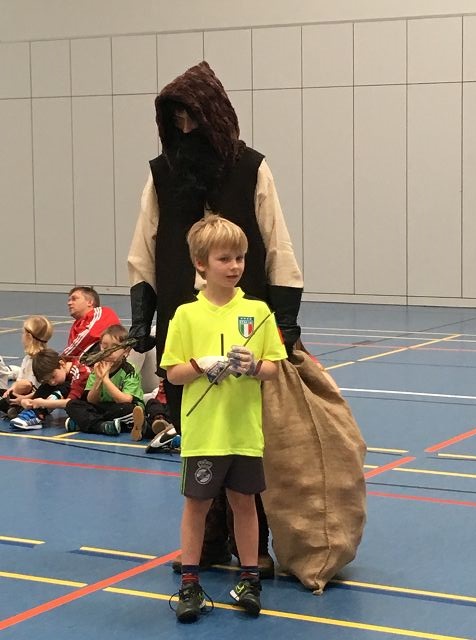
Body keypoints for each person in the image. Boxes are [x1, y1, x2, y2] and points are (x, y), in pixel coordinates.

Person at [127, 60, 303, 575]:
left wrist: (286, 323)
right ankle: (207, 543)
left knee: (249, 442)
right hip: (186, 325)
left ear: (215, 115)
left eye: (192, 117)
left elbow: (278, 245)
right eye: (175, 119)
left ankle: (255, 547)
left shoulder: (252, 168)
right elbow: (143, 249)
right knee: (197, 438)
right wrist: (142, 318)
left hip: (249, 325)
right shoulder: (161, 173)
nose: (184, 128)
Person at [162, 215, 286, 622]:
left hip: (244, 431)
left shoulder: (258, 311)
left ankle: (249, 580)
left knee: (244, 503)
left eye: (240, 258)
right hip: (204, 434)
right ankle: (190, 585)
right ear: (201, 263)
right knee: (196, 506)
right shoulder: (185, 316)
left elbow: (274, 368)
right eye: (224, 259)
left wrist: (253, 366)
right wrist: (201, 364)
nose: (234, 266)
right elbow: (173, 373)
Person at [65, 324, 144, 436]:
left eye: (114, 347)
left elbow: (125, 400)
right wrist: (98, 379)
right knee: (72, 405)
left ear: (126, 351)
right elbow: (91, 400)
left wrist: (105, 379)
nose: (109, 352)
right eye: (105, 347)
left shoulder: (130, 370)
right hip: (103, 407)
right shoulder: (97, 368)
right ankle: (102, 426)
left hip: (121, 407)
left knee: (129, 409)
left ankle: (86, 423)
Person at [10, 347, 90, 429]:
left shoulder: (79, 372)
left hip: (91, 406)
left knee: (64, 386)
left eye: (53, 376)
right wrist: (29, 399)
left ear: (62, 364)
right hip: (78, 403)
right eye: (48, 380)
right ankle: (30, 411)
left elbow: (70, 403)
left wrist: (43, 403)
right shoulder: (61, 365)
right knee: (47, 386)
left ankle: (37, 414)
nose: (52, 382)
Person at [0, 315, 53, 420]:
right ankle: (13, 407)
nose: (22, 336)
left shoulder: (42, 360)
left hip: (36, 399)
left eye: (23, 333)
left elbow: (44, 390)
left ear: (28, 336)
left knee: (24, 385)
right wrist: (12, 389)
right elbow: (19, 381)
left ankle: (19, 409)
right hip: (24, 396)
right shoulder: (28, 358)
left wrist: (24, 398)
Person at [62, 286, 120, 359]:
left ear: (89, 302)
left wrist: (62, 357)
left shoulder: (103, 312)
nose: (69, 303)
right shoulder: (76, 325)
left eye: (74, 299)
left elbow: (90, 335)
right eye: (69, 300)